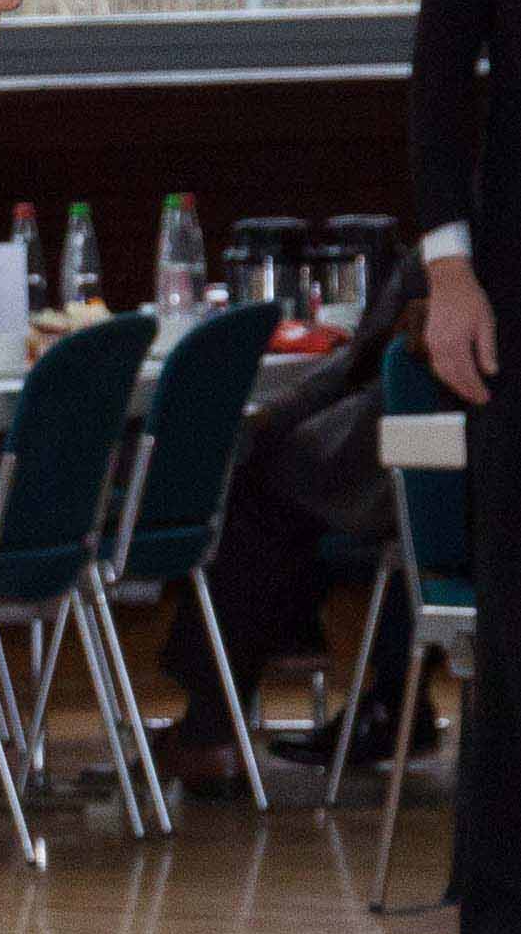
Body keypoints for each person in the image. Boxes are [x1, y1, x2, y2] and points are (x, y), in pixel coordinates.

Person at [156, 255, 430, 797]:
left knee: (249, 498)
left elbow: (357, 362)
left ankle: (211, 728)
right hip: (439, 466)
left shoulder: (450, 252)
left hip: (408, 456)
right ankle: (392, 699)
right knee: (286, 498)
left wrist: (265, 424)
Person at [410, 0, 521, 934]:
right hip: (513, 281)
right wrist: (450, 271)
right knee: (517, 605)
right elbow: (439, 77)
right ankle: (505, 919)